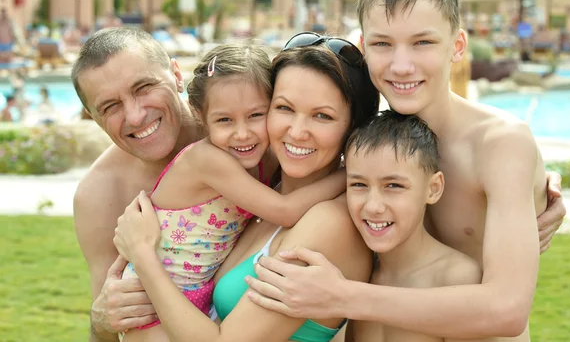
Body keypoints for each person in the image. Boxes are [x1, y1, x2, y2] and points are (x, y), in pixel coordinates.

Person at [244, 0, 565, 340]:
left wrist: (341, 297)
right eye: (382, 44)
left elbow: (506, 310)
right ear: (364, 49)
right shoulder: (367, 141)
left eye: (423, 42)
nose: (401, 65)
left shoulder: (499, 145)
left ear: (457, 46)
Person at [111, 37, 381, 342]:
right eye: (284, 108)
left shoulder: (330, 222)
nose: (296, 131)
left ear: (353, 128)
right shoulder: (264, 191)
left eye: (323, 116)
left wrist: (143, 256)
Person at [72, 27, 206, 342]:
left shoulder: (240, 137)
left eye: (144, 87)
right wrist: (102, 321)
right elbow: (107, 331)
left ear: (176, 74)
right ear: (93, 118)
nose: (135, 116)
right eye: (110, 106)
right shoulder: (101, 194)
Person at [343, 110, 495, 342]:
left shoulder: (455, 278)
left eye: (393, 185)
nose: (373, 206)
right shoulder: (357, 271)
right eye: (359, 184)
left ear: (433, 188)